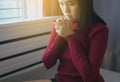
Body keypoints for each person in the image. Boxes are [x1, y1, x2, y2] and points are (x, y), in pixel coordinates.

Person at [42, 0, 109, 82]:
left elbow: (89, 76)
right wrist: (60, 34)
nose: (65, 10)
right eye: (61, 4)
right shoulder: (59, 25)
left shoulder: (99, 30)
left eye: (71, 4)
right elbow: (47, 63)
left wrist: (69, 36)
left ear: (84, 5)